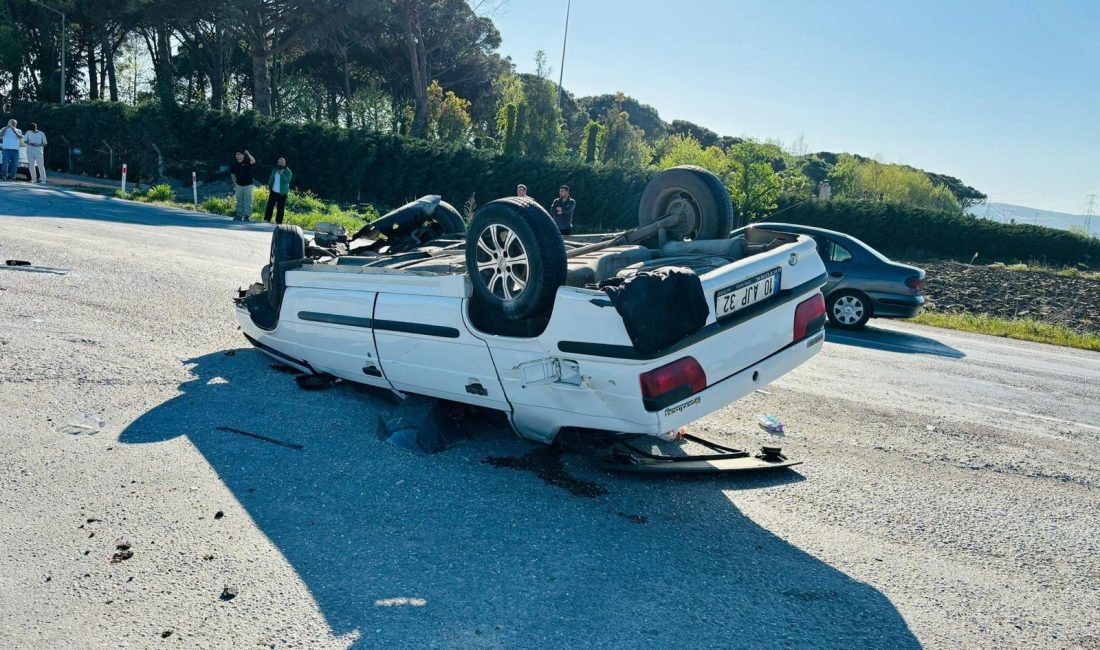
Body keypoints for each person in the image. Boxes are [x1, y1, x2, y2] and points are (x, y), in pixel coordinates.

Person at [264, 157, 292, 224]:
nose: (280, 164)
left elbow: (287, 181)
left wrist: (282, 174)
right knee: (269, 206)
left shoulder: (288, 171)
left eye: (282, 162)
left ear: (285, 163)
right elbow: (271, 178)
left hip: (282, 193)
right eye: (279, 162)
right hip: (273, 191)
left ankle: (279, 222)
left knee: (280, 208)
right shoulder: (275, 169)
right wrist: (270, 186)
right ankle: (266, 220)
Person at [230, 149, 256, 221]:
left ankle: (247, 216)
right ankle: (239, 215)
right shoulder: (234, 164)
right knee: (239, 200)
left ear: (243, 155)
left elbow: (253, 161)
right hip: (239, 185)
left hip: (248, 185)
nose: (237, 156)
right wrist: (235, 183)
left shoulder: (247, 162)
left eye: (239, 154)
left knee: (248, 201)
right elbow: (232, 174)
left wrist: (248, 153)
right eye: (236, 154)